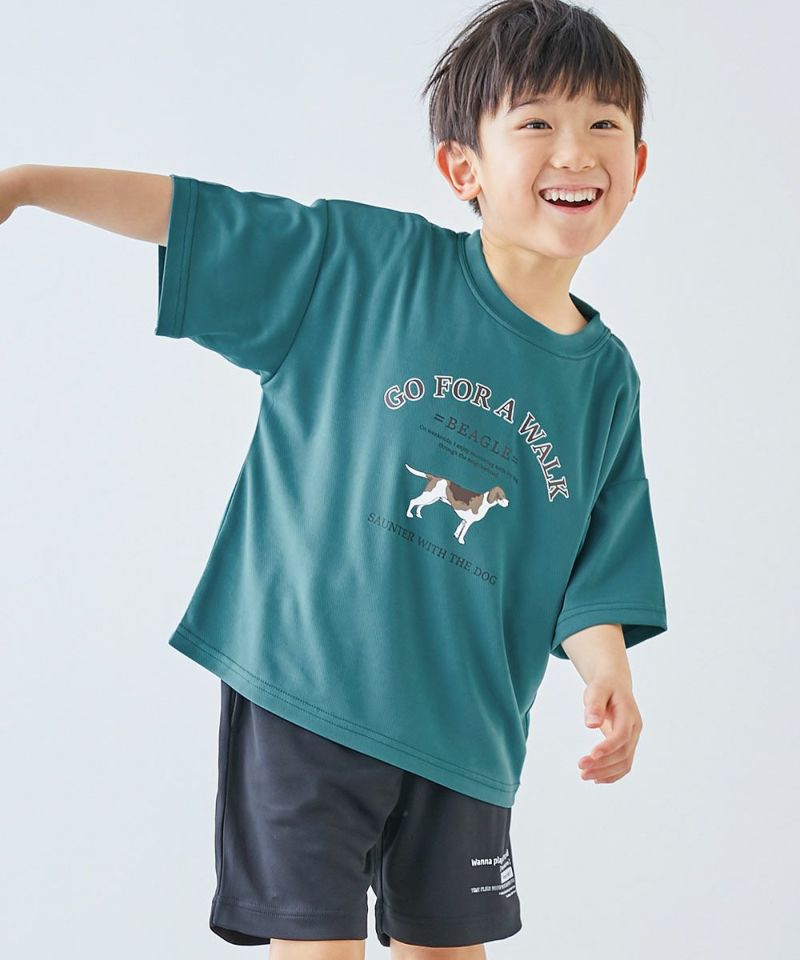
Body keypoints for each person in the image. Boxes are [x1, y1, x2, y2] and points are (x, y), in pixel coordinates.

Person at [1, 0, 668, 956]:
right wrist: (22, 184)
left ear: (636, 165)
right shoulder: (363, 266)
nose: (575, 151)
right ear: (463, 168)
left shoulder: (605, 379)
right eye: (536, 122)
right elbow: (192, 215)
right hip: (310, 688)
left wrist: (609, 671)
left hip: (469, 731)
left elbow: (595, 566)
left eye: (603, 123)